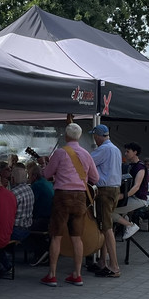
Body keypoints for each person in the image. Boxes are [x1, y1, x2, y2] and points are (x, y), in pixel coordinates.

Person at [42, 122, 99, 287]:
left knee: (56, 236)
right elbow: (95, 178)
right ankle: (77, 274)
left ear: (66, 136)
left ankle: (52, 275)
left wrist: (45, 167)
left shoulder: (60, 153)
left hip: (62, 196)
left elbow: (47, 174)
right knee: (77, 237)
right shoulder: (86, 154)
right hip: (80, 197)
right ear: (79, 136)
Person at [90, 124, 122, 277]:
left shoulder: (103, 149)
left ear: (98, 136)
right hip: (115, 190)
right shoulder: (115, 149)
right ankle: (102, 262)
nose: (94, 139)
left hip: (105, 190)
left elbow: (87, 163)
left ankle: (114, 266)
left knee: (107, 228)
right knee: (106, 226)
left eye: (94, 136)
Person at [113, 142, 149, 241]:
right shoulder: (130, 166)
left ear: (135, 152)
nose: (125, 153)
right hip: (131, 197)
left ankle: (130, 225)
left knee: (109, 211)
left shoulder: (140, 167)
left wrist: (123, 196)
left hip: (138, 199)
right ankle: (126, 221)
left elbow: (136, 187)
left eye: (128, 151)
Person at [10, 163, 33, 242]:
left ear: (13, 179)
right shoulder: (29, 189)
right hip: (28, 228)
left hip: (16, 230)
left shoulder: (13, 193)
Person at [28, 162, 53, 232]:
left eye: (29, 175)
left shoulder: (36, 186)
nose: (28, 178)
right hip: (52, 219)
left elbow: (30, 204)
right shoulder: (49, 183)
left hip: (42, 221)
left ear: (35, 175)